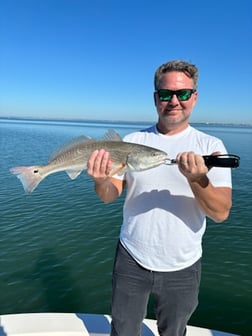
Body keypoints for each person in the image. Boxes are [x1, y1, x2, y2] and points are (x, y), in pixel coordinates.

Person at [87, 60, 232, 336]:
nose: (174, 101)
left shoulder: (211, 147)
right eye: (166, 94)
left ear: (195, 97)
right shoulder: (131, 140)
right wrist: (101, 179)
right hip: (131, 257)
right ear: (156, 98)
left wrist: (197, 179)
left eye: (183, 93)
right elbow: (109, 195)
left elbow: (221, 212)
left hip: (183, 265)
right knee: (123, 330)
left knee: (174, 332)